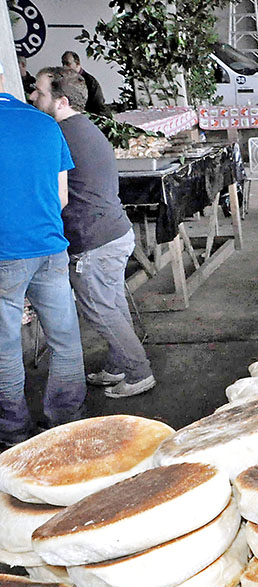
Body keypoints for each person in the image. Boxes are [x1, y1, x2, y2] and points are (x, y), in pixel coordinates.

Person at [32, 67, 155, 399]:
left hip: (94, 239)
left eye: (39, 92)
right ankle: (119, 364)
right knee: (112, 304)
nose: (32, 97)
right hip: (112, 232)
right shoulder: (85, 127)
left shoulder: (59, 135)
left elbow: (53, 195)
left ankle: (139, 371)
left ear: (60, 100)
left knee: (99, 309)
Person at [0, 62, 86, 448]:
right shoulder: (45, 124)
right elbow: (62, 197)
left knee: (5, 346)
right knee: (65, 338)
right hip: (51, 247)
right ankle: (66, 423)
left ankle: (13, 433)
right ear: (3, 81)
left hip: (5, 253)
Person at [60, 51, 107, 116]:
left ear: (77, 63)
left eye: (68, 63)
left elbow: (98, 106)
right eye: (63, 63)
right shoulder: (63, 80)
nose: (64, 67)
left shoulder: (91, 82)